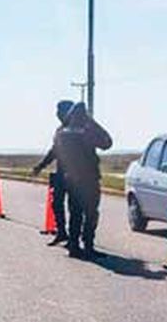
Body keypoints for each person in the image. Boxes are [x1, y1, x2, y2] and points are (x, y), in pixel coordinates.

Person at [51, 102, 113, 259]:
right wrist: (92, 122)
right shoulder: (86, 132)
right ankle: (88, 245)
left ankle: (74, 246)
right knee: (91, 213)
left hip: (71, 179)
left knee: (75, 213)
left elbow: (56, 151)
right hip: (89, 179)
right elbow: (107, 142)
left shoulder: (62, 132)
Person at [30, 100, 75, 245]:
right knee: (57, 204)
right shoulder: (60, 130)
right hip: (61, 173)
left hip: (76, 175)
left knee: (75, 207)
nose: (57, 114)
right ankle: (62, 232)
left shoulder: (77, 130)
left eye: (60, 111)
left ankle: (74, 238)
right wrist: (40, 166)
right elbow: (54, 151)